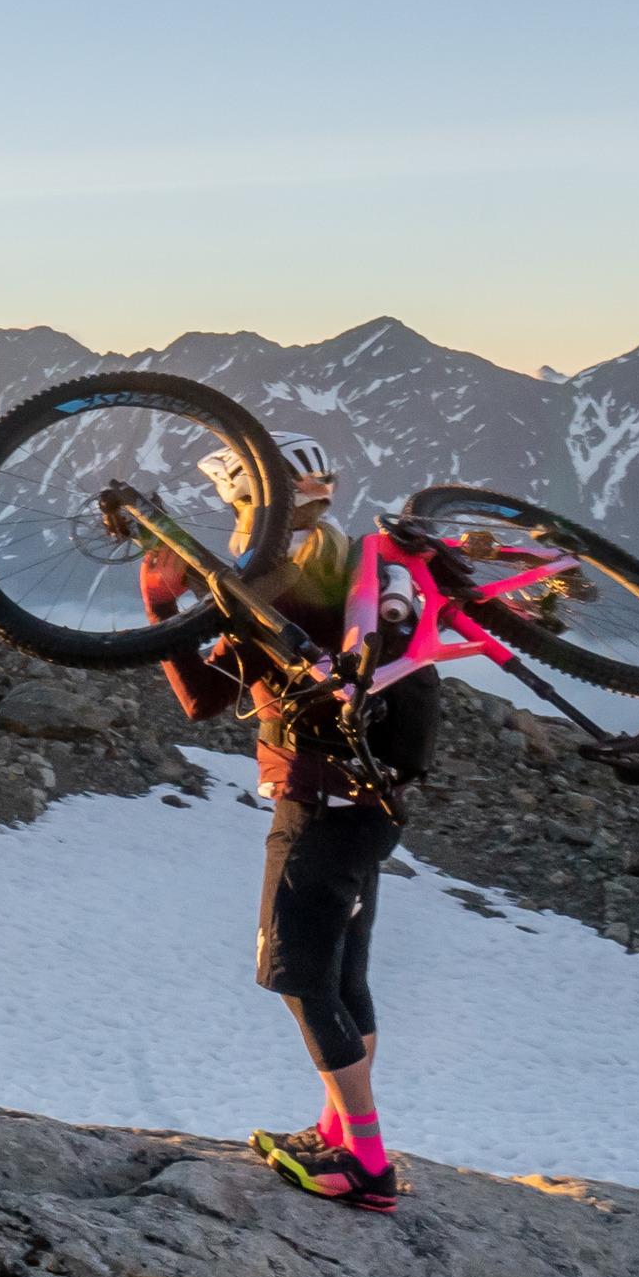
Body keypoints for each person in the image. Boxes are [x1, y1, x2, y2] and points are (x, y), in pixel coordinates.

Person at [140, 432, 437, 1212]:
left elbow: (202, 698)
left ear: (254, 497)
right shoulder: (339, 558)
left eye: (236, 504)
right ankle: (337, 1131)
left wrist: (160, 601)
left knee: (299, 976)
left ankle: (364, 1157)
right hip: (373, 802)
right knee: (344, 975)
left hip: (317, 804)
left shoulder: (274, 580)